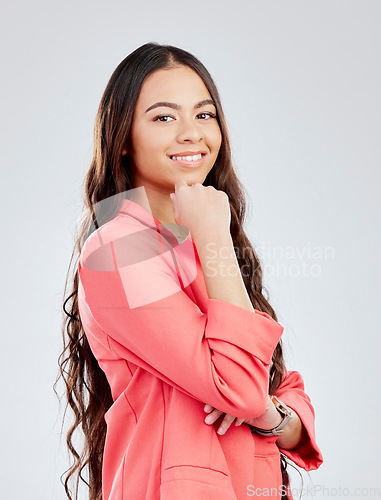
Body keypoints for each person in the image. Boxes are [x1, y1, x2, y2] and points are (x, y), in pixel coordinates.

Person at [56, 42, 323, 500]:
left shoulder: (198, 239)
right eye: (164, 117)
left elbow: (280, 396)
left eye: (205, 115)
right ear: (122, 139)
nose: (191, 134)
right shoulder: (118, 249)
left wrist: (271, 415)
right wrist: (215, 235)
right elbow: (241, 387)